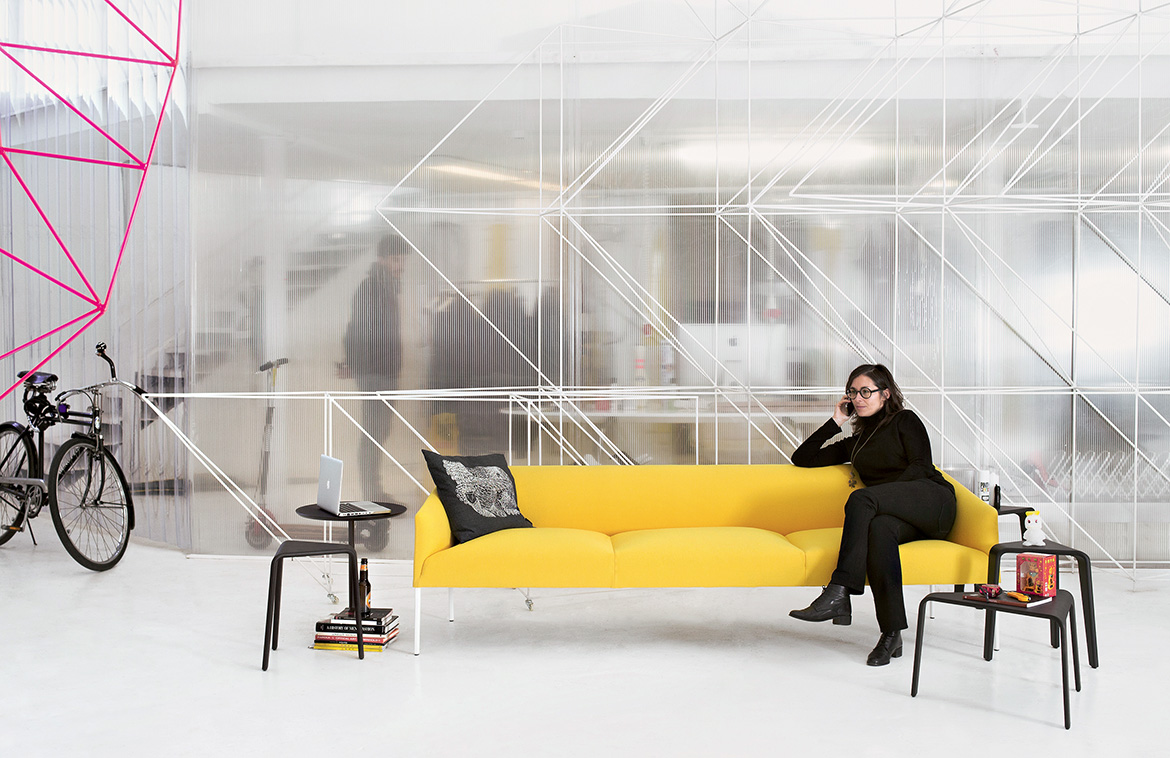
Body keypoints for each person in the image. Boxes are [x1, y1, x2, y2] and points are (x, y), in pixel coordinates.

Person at [788, 364, 956, 666]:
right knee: (879, 531)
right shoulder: (858, 442)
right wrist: (836, 420)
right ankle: (891, 635)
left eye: (866, 391)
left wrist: (883, 498)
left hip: (933, 504)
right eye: (853, 392)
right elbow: (803, 458)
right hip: (896, 516)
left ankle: (839, 592)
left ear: (885, 394)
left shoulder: (905, 420)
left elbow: (920, 467)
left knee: (862, 498)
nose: (858, 398)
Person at [344, 233, 409, 498]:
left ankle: (374, 490)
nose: (400, 265)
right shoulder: (371, 288)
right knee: (373, 433)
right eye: (395, 260)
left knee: (379, 432)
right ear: (382, 259)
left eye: (402, 260)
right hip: (375, 374)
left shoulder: (388, 287)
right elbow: (356, 329)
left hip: (384, 372)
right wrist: (355, 364)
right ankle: (372, 492)